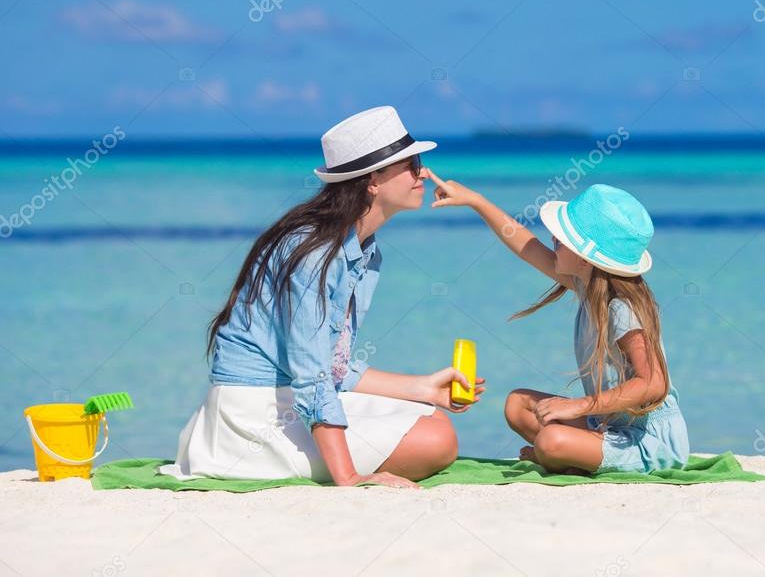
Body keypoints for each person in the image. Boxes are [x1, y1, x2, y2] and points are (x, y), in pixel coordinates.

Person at [159, 106, 485, 489]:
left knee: (431, 417)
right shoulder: (315, 253)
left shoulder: (363, 251)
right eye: (410, 163)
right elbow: (312, 375)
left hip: (289, 400)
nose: (423, 173)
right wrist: (349, 477)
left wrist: (422, 387)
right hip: (255, 415)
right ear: (373, 181)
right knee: (436, 440)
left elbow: (332, 367)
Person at [427, 172, 688, 474]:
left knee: (551, 440)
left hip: (647, 440)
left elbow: (654, 383)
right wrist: (476, 201)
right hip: (609, 422)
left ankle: (563, 456)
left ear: (586, 259)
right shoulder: (588, 286)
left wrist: (580, 405)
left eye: (562, 239)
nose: (552, 240)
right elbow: (526, 246)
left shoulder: (622, 308)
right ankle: (574, 456)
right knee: (518, 405)